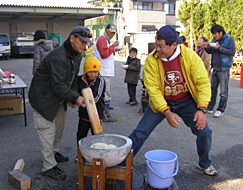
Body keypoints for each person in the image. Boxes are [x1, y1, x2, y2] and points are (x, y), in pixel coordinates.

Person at [120, 25, 217, 176]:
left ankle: (204, 163)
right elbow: (153, 90)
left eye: (161, 46)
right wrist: (166, 111)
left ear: (173, 45)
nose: (157, 49)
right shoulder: (152, 60)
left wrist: (202, 109)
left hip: (186, 102)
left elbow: (203, 83)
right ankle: (120, 165)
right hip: (161, 104)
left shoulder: (190, 57)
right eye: (156, 45)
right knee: (140, 132)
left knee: (204, 132)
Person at [28, 26, 92, 180]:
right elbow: (58, 84)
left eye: (87, 42)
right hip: (43, 99)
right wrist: (74, 98)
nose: (85, 45)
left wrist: (73, 96)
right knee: (47, 132)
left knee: (59, 127)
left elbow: (73, 78)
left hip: (57, 97)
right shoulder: (58, 56)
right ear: (72, 39)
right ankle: (48, 166)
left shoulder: (77, 55)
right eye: (82, 41)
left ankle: (53, 152)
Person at [203, 24, 236, 118]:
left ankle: (220, 109)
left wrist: (219, 48)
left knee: (223, 91)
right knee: (213, 89)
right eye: (213, 34)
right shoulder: (214, 41)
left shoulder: (229, 39)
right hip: (215, 68)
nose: (214, 36)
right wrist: (206, 46)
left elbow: (231, 52)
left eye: (215, 34)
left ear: (221, 33)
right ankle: (210, 107)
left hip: (224, 68)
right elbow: (210, 51)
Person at [92, 24, 119, 122]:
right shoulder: (103, 39)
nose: (112, 34)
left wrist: (113, 49)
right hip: (104, 70)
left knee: (102, 91)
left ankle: (103, 111)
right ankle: (105, 115)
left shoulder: (104, 39)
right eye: (110, 32)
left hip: (104, 69)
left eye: (113, 32)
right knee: (106, 92)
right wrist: (113, 46)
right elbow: (104, 54)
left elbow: (104, 52)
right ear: (106, 30)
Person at [76, 57, 105, 146]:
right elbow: (76, 92)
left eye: (95, 72)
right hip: (84, 114)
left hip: (96, 114)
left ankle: (97, 155)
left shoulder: (100, 80)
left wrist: (84, 102)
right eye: (90, 72)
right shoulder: (80, 79)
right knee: (81, 135)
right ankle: (80, 155)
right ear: (85, 71)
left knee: (96, 136)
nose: (93, 74)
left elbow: (96, 97)